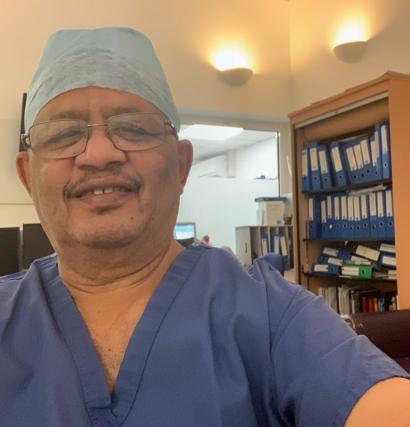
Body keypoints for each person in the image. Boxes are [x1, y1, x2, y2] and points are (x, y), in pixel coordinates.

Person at [0, 27, 408, 426]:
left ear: (181, 166)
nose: (99, 153)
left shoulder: (274, 317)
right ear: (27, 177)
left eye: (133, 128)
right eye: (63, 135)